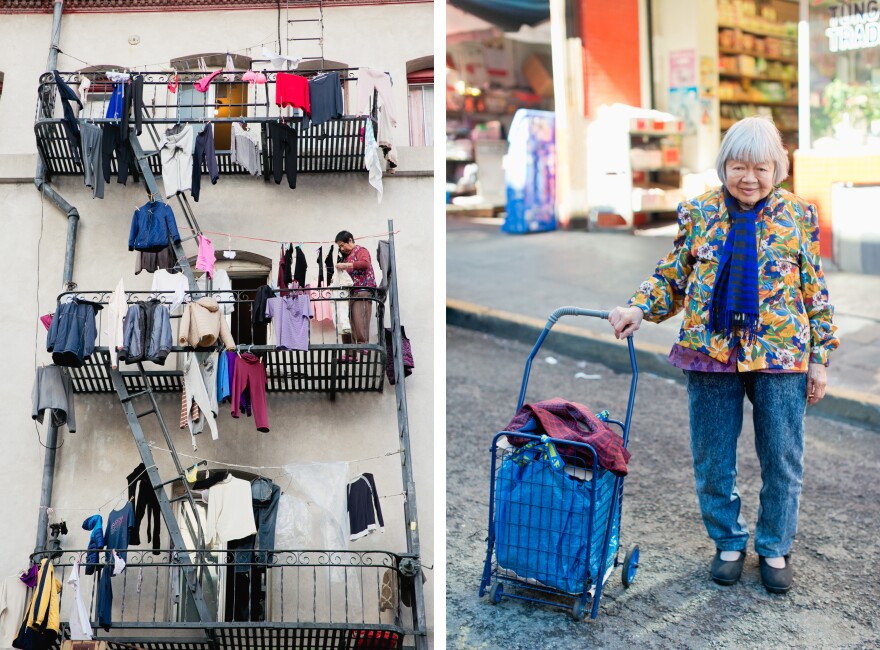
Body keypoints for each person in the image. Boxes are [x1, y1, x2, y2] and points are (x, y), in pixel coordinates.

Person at [608, 116, 839, 594]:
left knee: (782, 457)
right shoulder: (698, 212)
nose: (749, 177)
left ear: (778, 168)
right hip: (711, 352)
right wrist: (637, 307)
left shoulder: (799, 215)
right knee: (713, 456)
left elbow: (815, 291)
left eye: (760, 167)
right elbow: (672, 276)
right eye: (738, 166)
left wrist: (820, 356)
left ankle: (774, 545)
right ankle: (728, 540)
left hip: (780, 355)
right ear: (724, 166)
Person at [334, 230, 377, 354]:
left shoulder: (361, 251)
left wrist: (346, 265)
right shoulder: (347, 256)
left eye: (343, 245)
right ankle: (349, 352)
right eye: (339, 246)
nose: (341, 248)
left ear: (350, 240)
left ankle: (363, 345)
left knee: (359, 318)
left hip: (362, 291)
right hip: (351, 293)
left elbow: (365, 264)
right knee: (347, 322)